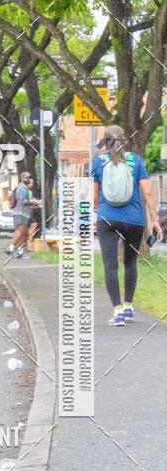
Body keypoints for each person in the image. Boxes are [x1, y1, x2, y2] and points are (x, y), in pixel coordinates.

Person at [92, 125, 162, 326]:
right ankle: (129, 308)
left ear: (105, 142)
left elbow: (94, 197)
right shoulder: (136, 161)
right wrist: (154, 219)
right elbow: (147, 193)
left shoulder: (98, 162)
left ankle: (118, 312)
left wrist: (100, 211)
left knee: (110, 265)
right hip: (134, 220)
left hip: (107, 218)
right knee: (131, 263)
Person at [6, 172, 37, 258]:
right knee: (20, 231)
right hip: (21, 213)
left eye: (29, 178)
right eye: (27, 178)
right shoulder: (23, 188)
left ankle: (20, 251)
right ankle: (11, 248)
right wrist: (33, 202)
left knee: (23, 233)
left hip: (22, 213)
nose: (28, 179)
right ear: (22, 178)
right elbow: (23, 201)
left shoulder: (23, 187)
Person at [26, 175, 42, 250]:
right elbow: (27, 203)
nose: (31, 184)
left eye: (32, 183)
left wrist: (36, 205)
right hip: (27, 212)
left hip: (28, 212)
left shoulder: (28, 191)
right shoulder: (27, 191)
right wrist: (36, 203)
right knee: (34, 225)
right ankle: (30, 242)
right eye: (30, 183)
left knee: (28, 227)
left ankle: (27, 243)